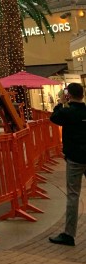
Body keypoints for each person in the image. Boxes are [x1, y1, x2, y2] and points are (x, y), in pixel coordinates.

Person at [48, 82, 86, 247]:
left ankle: (69, 234)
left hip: (75, 158)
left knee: (73, 195)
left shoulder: (67, 112)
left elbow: (54, 117)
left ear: (68, 95)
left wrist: (60, 102)